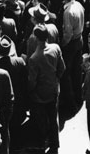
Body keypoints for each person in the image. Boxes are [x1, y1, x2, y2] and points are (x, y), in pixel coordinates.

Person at [27, 24, 65, 153]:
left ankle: (44, 142)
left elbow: (32, 81)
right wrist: (55, 80)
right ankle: (55, 144)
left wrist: (29, 91)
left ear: (36, 38)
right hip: (53, 90)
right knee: (53, 118)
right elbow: (62, 68)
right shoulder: (55, 48)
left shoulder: (34, 58)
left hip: (40, 95)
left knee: (42, 120)